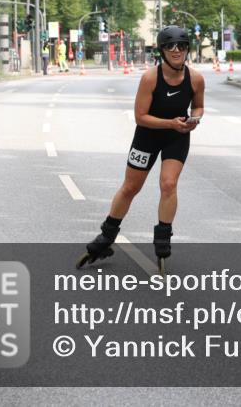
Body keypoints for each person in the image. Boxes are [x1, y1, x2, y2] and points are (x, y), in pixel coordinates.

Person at [77, 25, 205, 275]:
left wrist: (195, 119)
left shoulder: (196, 79)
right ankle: (106, 238)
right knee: (130, 187)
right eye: (170, 46)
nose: (176, 50)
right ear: (162, 51)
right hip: (147, 135)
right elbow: (140, 117)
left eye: (181, 46)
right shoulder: (150, 78)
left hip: (177, 137)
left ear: (187, 49)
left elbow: (198, 106)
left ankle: (162, 243)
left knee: (168, 184)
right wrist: (170, 123)